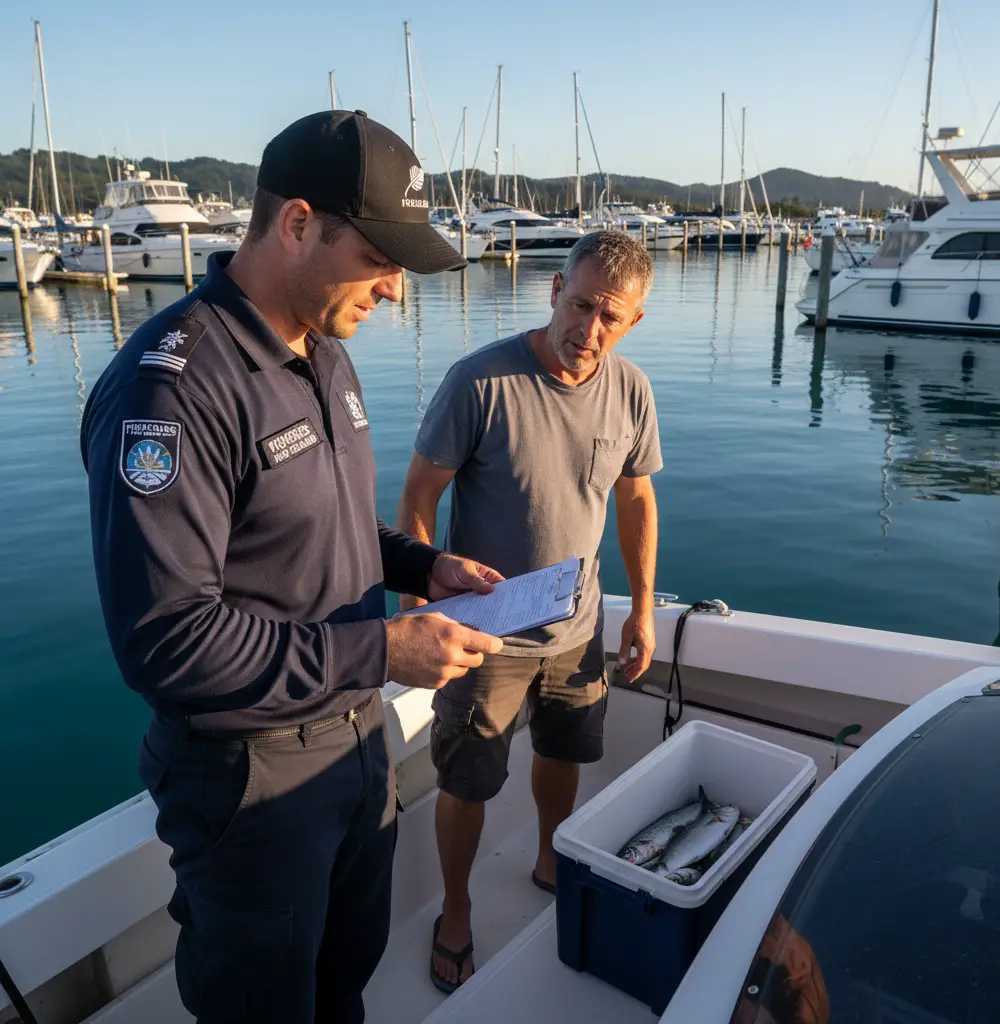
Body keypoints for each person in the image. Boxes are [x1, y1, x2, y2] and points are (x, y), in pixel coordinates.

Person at [80, 110, 505, 1024]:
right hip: (252, 780)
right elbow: (166, 640)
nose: (393, 290)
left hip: (355, 746)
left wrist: (426, 566)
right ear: (298, 224)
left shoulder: (325, 352)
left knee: (343, 979)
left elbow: (330, 524)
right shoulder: (172, 391)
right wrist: (383, 651)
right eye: (380, 259)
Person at [396, 230, 662, 992]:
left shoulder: (631, 390)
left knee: (564, 750)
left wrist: (642, 609)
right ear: (554, 290)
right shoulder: (480, 382)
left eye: (610, 317)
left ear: (634, 321)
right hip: (483, 632)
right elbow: (419, 495)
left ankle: (550, 854)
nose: (589, 329)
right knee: (467, 781)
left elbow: (636, 499)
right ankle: (455, 909)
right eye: (580, 306)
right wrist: (418, 606)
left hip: (577, 629)